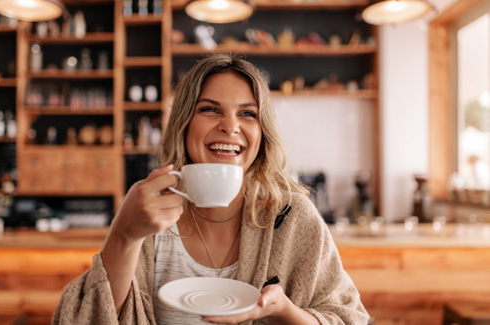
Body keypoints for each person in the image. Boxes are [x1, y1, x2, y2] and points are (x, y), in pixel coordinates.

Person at [52, 53, 370, 324]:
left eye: (247, 113)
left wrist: (286, 311)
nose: (230, 126)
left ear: (262, 133)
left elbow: (349, 317)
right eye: (210, 109)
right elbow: (84, 317)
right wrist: (124, 235)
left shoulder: (290, 216)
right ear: (184, 122)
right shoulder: (149, 209)